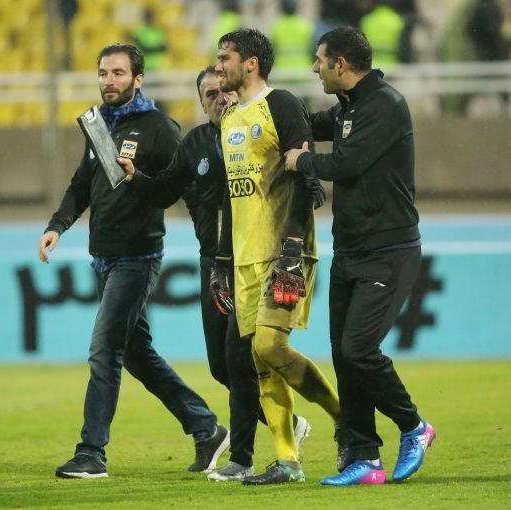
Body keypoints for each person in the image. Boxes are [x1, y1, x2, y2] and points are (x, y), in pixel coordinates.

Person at [118, 66, 318, 482]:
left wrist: (300, 215)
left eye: (224, 90)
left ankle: (242, 457)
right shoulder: (195, 144)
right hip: (213, 263)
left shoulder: (255, 134)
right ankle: (289, 426)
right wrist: (137, 179)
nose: (220, 98)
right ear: (201, 103)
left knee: (239, 356)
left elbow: (302, 182)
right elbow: (165, 190)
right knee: (221, 366)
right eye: (210, 94)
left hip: (255, 260)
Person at [38, 44, 229, 479]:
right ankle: (206, 428)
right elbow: (82, 184)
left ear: (138, 79)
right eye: (103, 73)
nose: (109, 81)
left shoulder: (160, 128)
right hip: (104, 257)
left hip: (138, 256)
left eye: (118, 73)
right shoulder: (97, 124)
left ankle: (91, 452)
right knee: (137, 355)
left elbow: (187, 185)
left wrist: (212, 241)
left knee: (105, 350)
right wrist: (57, 225)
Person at [284, 26, 434, 486]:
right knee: (344, 357)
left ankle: (413, 425)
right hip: (350, 249)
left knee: (359, 350)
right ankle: (365, 456)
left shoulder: (385, 105)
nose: (315, 68)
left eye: (319, 60)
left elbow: (345, 164)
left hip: (388, 250)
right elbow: (308, 123)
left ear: (341, 65)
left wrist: (300, 161)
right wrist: (262, 109)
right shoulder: (349, 107)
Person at [212, 28, 342, 485]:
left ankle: (346, 419)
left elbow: (305, 178)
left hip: (284, 251)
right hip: (245, 258)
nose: (218, 66)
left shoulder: (282, 104)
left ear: (250, 63)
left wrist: (292, 248)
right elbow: (230, 196)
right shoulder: (229, 119)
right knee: (261, 360)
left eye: (225, 58)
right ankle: (288, 462)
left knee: (270, 346)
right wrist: (222, 262)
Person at [269, 0, 315, 69]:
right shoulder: (305, 25)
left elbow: (271, 48)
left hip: (281, 67)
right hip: (303, 67)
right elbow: (313, 48)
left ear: (282, 8)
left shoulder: (276, 26)